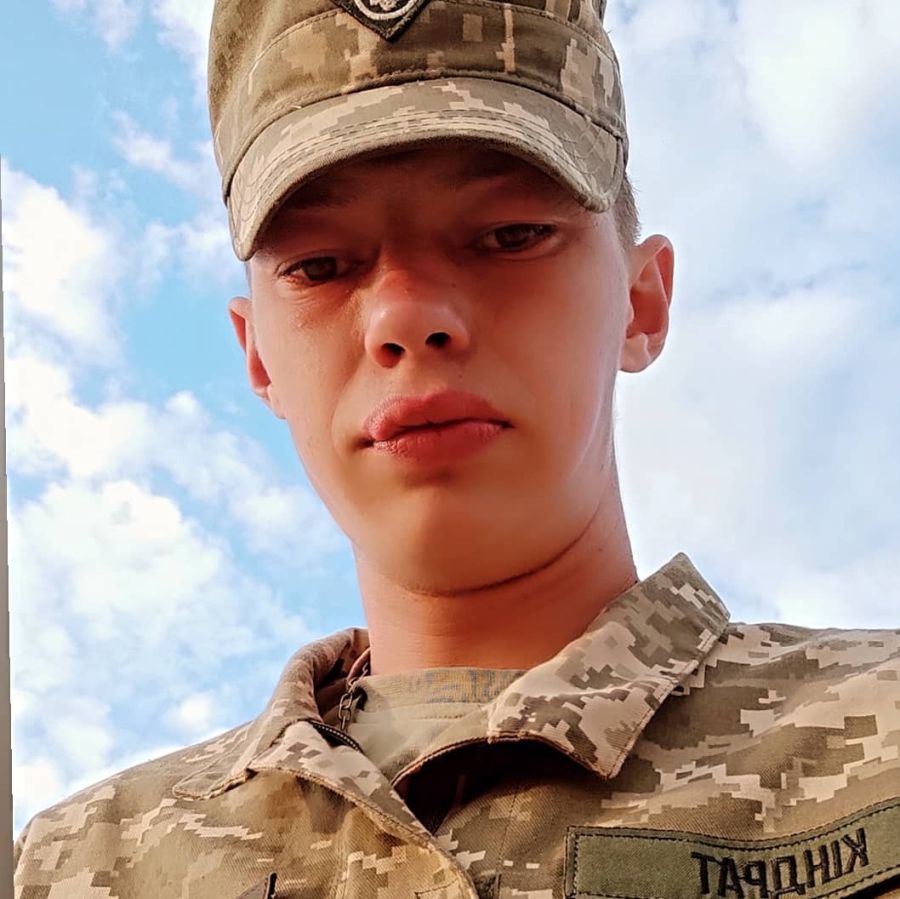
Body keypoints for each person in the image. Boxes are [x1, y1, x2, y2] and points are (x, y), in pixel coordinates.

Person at [13, 0, 900, 895]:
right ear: (258, 358)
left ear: (642, 301)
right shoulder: (78, 864)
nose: (406, 315)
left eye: (510, 236)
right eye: (319, 265)